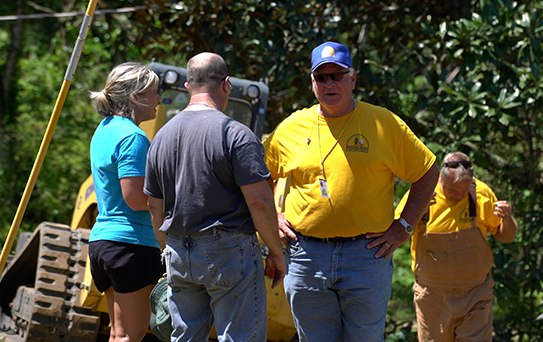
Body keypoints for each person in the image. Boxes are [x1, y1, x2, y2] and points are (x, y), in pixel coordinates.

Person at [263, 41, 439, 341]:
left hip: (366, 256)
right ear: (313, 83)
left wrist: (404, 227)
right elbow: (259, 176)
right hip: (306, 257)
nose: (330, 83)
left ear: (353, 79)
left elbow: (427, 171)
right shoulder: (291, 127)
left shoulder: (383, 123)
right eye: (322, 77)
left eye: (337, 75)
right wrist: (273, 218)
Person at [144, 52, 286, 342]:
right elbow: (259, 201)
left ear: (187, 86)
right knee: (239, 336)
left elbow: (154, 205)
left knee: (185, 336)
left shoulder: (162, 137)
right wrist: (275, 251)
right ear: (227, 85)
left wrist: (166, 249)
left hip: (178, 251)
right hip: (229, 252)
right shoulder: (236, 134)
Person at [395, 151, 518, 342]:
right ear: (440, 180)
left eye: (464, 190)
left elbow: (506, 237)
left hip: (475, 295)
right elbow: (398, 237)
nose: (459, 195)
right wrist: (416, 214)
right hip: (432, 299)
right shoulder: (422, 195)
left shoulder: (481, 194)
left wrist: (508, 219)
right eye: (453, 190)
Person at [88, 62, 165, 342]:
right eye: (155, 92)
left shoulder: (105, 129)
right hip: (130, 246)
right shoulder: (133, 137)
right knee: (129, 337)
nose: (159, 99)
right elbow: (135, 198)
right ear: (136, 97)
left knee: (117, 335)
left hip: (104, 244)